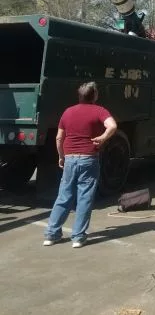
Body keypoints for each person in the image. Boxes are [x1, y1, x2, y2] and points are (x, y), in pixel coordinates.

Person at [43, 81, 117, 248]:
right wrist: (103, 137)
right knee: (84, 197)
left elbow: (59, 138)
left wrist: (61, 156)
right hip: (89, 158)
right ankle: (77, 237)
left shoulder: (68, 112)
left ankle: (51, 235)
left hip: (70, 158)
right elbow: (112, 126)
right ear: (95, 95)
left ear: (79, 96)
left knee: (64, 196)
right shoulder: (99, 110)